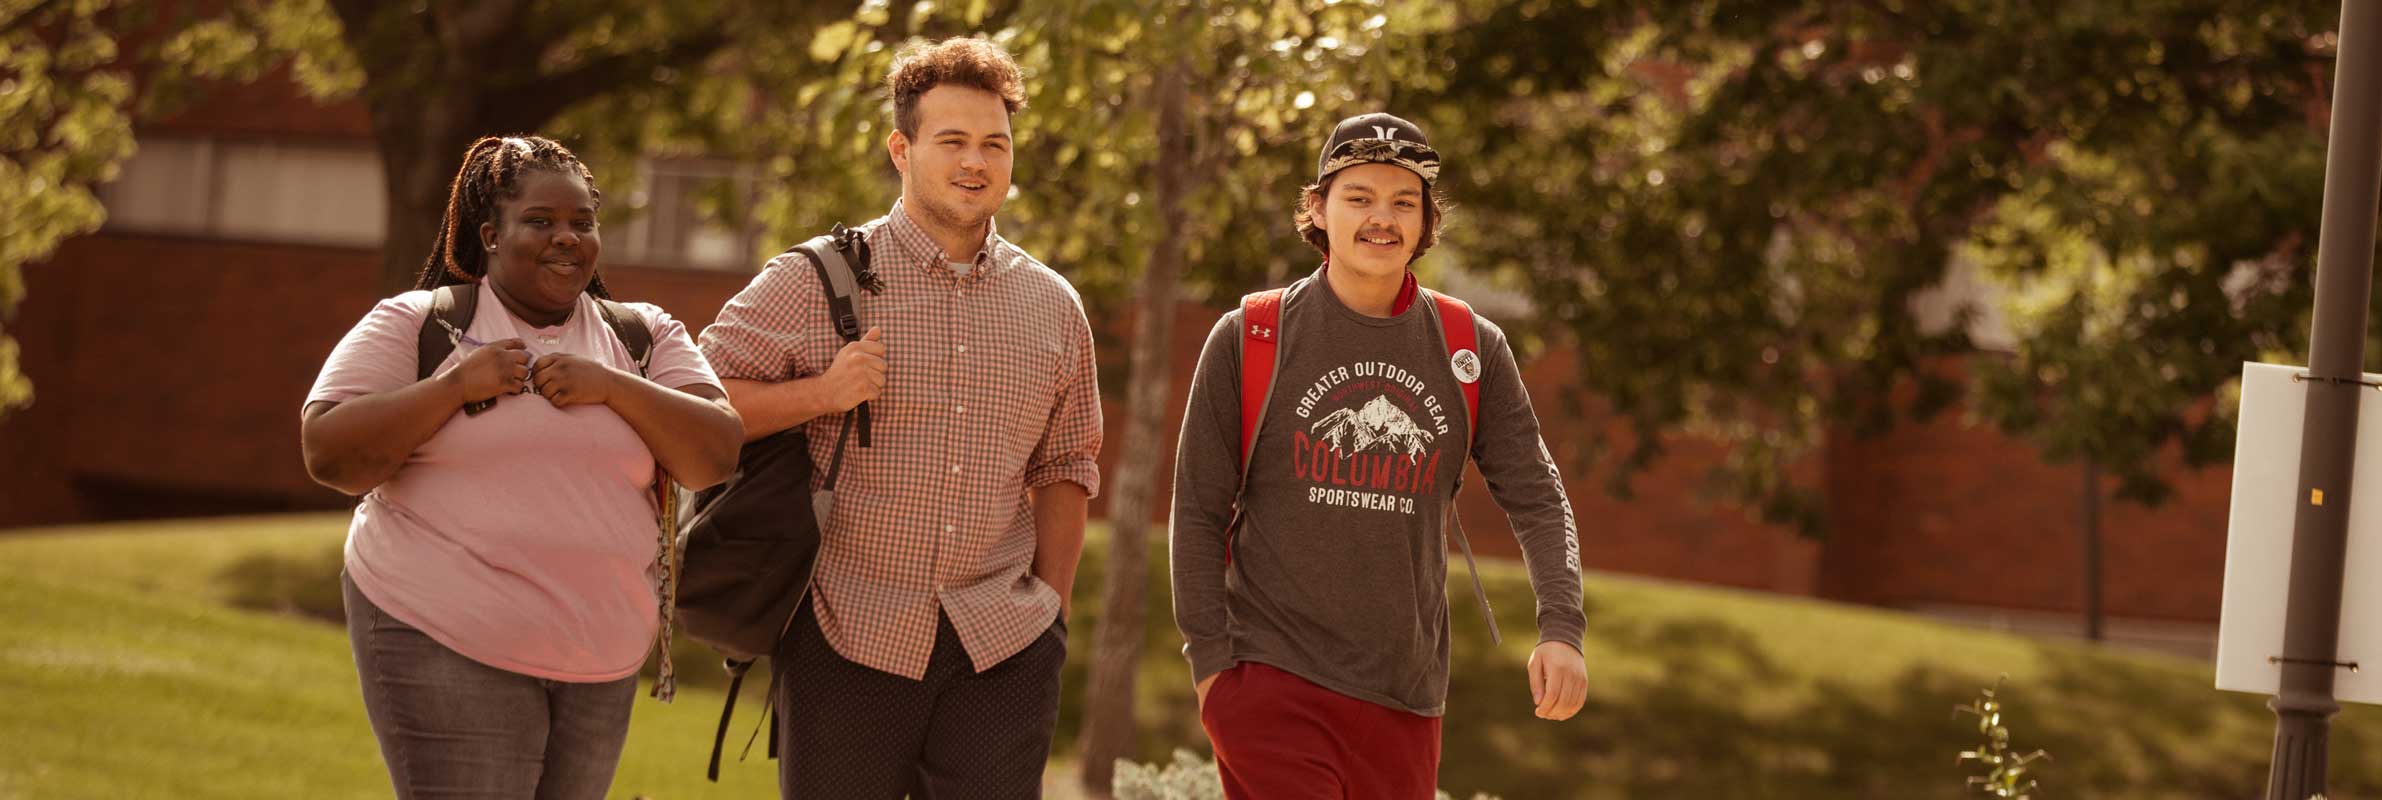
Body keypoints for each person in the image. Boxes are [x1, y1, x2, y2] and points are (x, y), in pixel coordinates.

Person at [694, 35, 1103, 799]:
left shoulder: (1053, 306)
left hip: (1003, 648)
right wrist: (819, 394)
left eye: (994, 144)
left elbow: (1066, 466)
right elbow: (692, 405)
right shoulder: (815, 279)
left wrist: (1050, 616)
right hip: (846, 636)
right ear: (900, 148)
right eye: (952, 142)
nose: (975, 163)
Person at [301, 134, 743, 799]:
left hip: (599, 655)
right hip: (443, 631)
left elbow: (715, 452)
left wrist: (614, 387)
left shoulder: (641, 336)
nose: (567, 238)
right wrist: (453, 388)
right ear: (491, 234)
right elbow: (328, 451)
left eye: (582, 223)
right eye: (540, 221)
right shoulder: (420, 324)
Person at [1168, 112, 1590, 799]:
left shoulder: (1471, 347)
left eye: (1403, 202)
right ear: (1318, 209)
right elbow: (1197, 512)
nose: (1381, 219)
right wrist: (1214, 669)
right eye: (1359, 197)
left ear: (1427, 222)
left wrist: (1562, 629)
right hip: (1272, 681)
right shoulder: (1251, 336)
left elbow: (1540, 499)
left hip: (1408, 698)